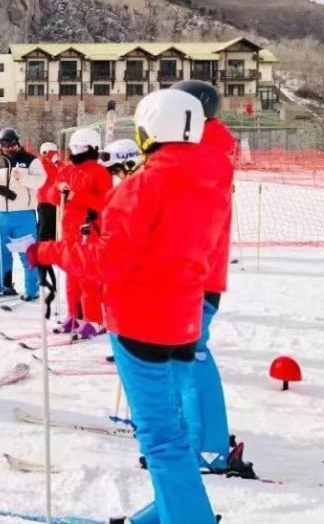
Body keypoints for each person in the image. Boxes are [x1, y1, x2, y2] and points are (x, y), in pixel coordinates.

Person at [26, 89, 227, 524]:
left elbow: (106, 261)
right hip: (184, 317)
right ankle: (168, 512)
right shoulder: (212, 179)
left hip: (141, 323)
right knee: (172, 431)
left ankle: (189, 517)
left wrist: (48, 252)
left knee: (161, 440)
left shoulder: (144, 185)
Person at [171, 79, 251, 475]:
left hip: (193, 275)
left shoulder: (204, 155)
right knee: (182, 357)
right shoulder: (202, 149)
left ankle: (208, 447)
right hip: (192, 273)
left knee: (191, 356)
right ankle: (195, 435)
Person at [54, 128, 112, 338]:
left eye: (81, 148)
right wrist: (58, 189)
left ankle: (94, 319)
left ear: (92, 148)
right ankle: (74, 315)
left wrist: (75, 196)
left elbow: (104, 202)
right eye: (74, 147)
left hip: (90, 230)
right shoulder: (67, 170)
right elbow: (53, 196)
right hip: (69, 231)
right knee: (72, 277)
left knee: (88, 278)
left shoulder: (100, 172)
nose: (77, 151)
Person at [0, 127, 46, 301]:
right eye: (5, 145)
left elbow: (41, 180)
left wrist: (22, 178)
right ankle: (3, 283)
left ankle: (32, 288)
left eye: (12, 144)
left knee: (27, 252)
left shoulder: (30, 160)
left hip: (23, 214)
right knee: (1, 251)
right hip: (1, 213)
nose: (10, 148)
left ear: (17, 142)